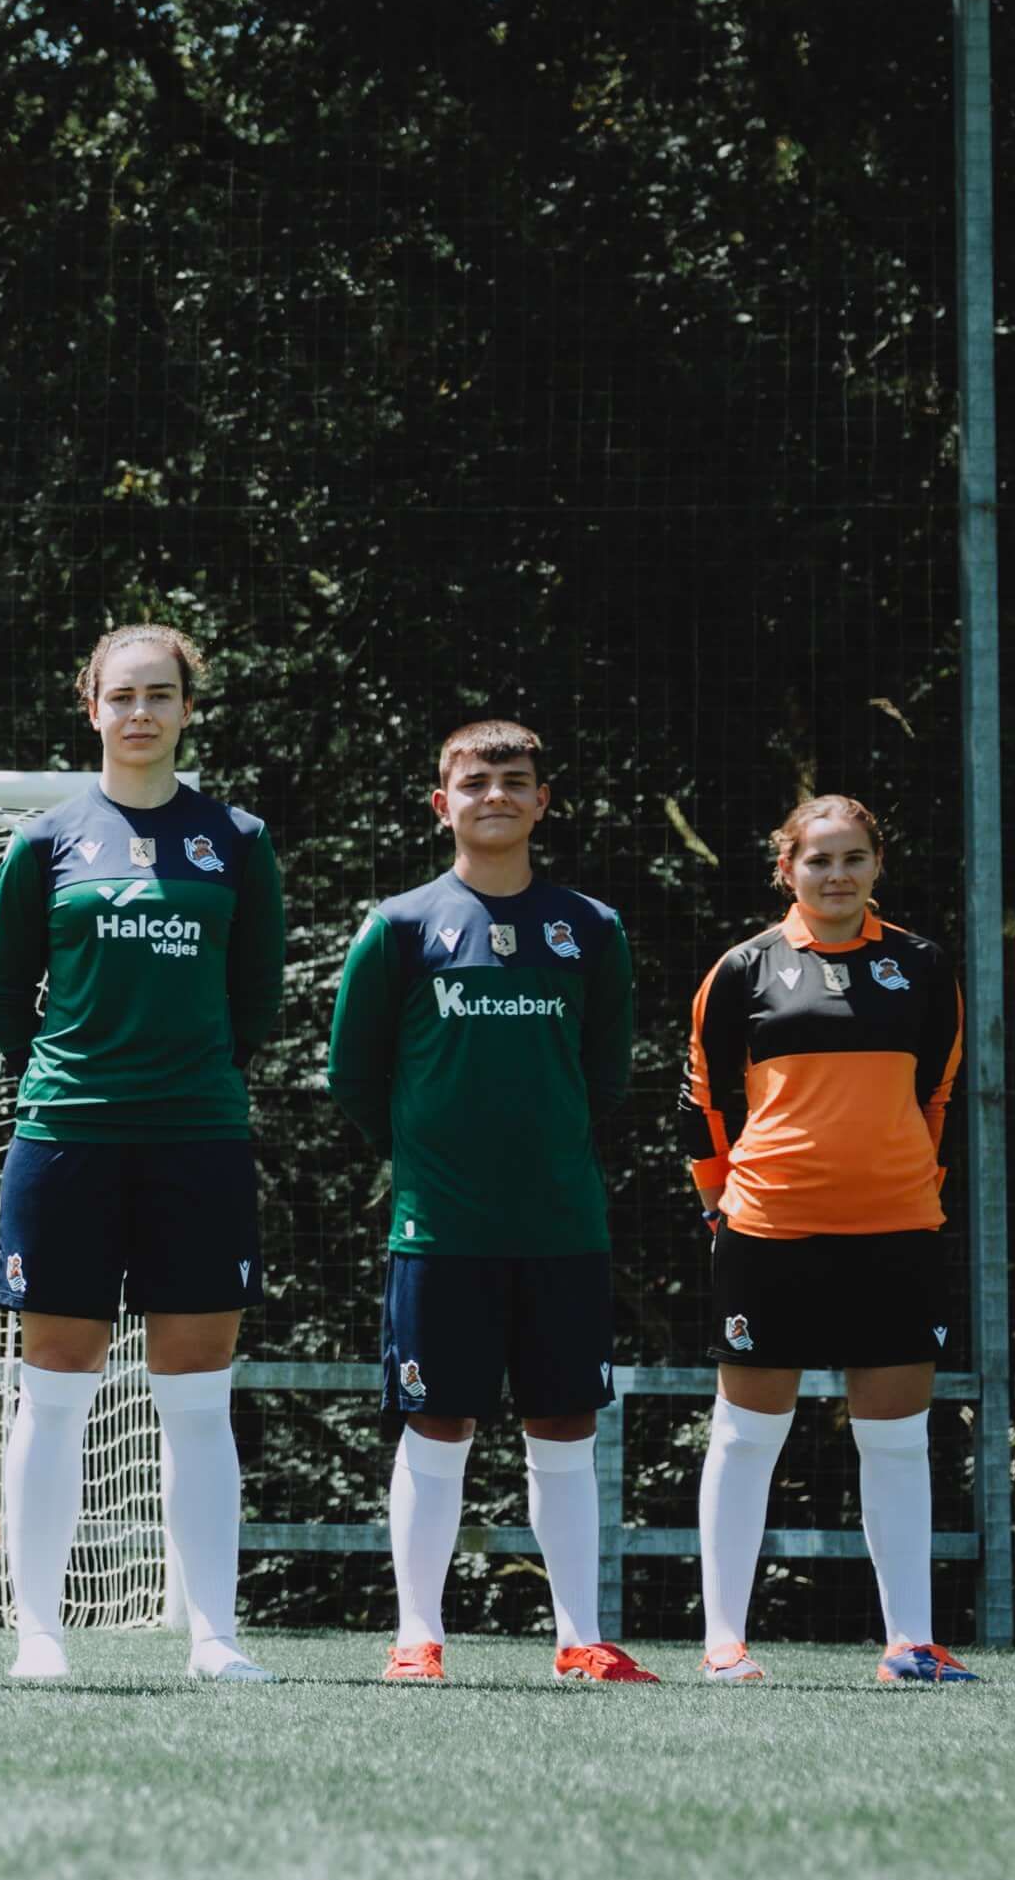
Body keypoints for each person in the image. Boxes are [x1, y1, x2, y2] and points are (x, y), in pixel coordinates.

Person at [0, 623, 283, 1684]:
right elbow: (4, 995)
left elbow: (256, 998)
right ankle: (39, 1634)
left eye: (160, 694)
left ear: (187, 708)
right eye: (122, 695)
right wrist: (81, 1071)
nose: (141, 712)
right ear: (89, 705)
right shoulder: (45, 840)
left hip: (197, 1137)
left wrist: (181, 1075)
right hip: (66, 1136)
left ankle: (213, 1635)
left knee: (195, 1393)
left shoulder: (235, 837)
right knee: (52, 1390)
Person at [324, 720, 655, 1684]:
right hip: (442, 1224)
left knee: (565, 1426)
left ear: (543, 800)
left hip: (561, 1224)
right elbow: (354, 1071)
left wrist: (540, 1151)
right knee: (440, 1425)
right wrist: (424, 1157)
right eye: (476, 781)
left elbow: (605, 1072)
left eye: (515, 781)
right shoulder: (400, 926)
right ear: (444, 803)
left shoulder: (590, 927)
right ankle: (418, 1634)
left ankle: (579, 1637)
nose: (496, 795)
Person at [685, 794, 977, 1686]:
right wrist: (721, 1207)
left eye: (853, 858)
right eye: (819, 860)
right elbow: (704, 1107)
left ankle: (909, 1646)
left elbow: (938, 1096)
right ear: (788, 869)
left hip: (896, 1231)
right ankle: (725, 1643)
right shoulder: (742, 970)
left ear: (877, 865)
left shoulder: (923, 965)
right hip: (769, 1230)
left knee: (896, 1440)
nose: (837, 874)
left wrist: (914, 1187)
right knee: (746, 1436)